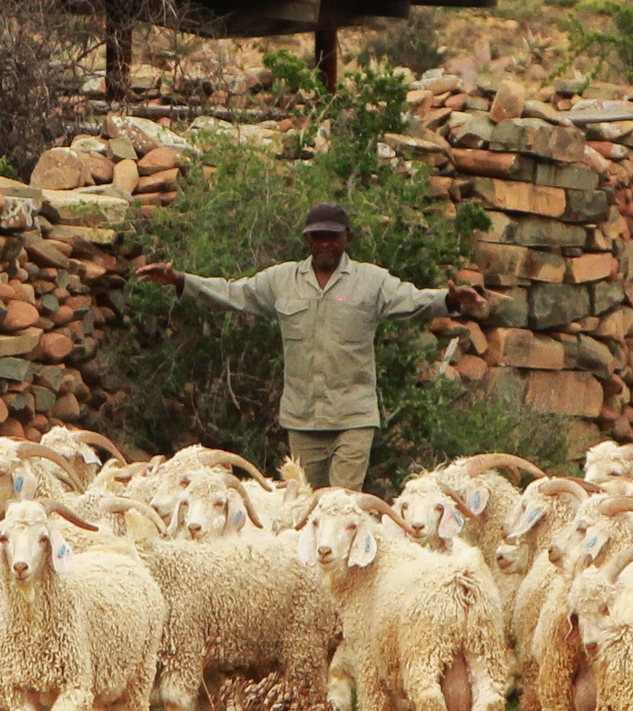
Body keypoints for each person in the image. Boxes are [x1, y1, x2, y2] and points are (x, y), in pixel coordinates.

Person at [150, 201, 446, 496]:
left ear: (348, 239)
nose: (325, 243)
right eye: (317, 237)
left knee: (340, 503)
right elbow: (233, 293)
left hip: (353, 416)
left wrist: (452, 300)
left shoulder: (372, 281)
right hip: (303, 418)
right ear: (307, 240)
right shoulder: (282, 280)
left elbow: (414, 299)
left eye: (333, 236)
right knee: (307, 505)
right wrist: (181, 280)